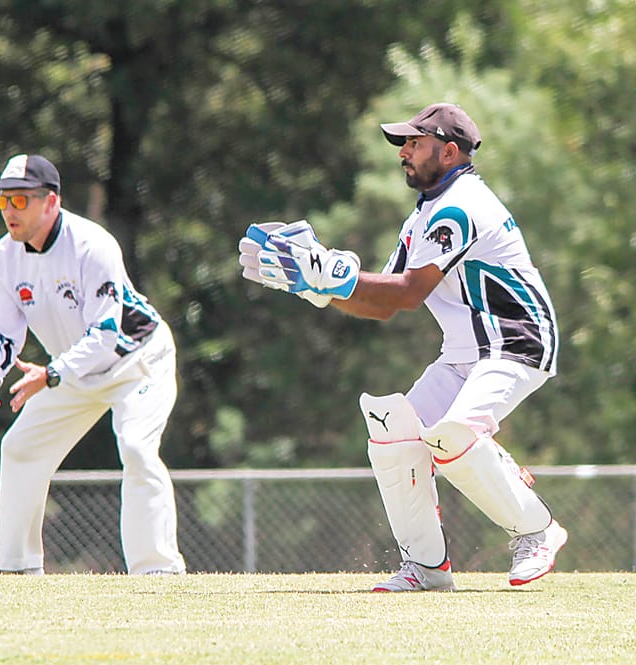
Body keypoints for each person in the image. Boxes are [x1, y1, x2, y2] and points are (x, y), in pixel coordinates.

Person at [238, 103, 567, 591]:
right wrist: (316, 285)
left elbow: (408, 293)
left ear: (450, 151)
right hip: (466, 351)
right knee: (393, 433)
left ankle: (537, 530)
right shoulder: (424, 214)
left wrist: (333, 277)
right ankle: (427, 568)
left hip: (517, 340)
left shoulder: (462, 206)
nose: (405, 153)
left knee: (453, 433)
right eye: (404, 144)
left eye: (416, 143)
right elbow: (380, 303)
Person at [0, 153, 187, 575]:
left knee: (137, 446)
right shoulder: (3, 257)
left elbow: (103, 337)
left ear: (51, 202)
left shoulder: (92, 245)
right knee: (20, 448)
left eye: (20, 200)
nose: (10, 211)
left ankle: (157, 570)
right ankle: (17, 567)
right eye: (2, 202)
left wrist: (51, 374)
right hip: (71, 368)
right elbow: (3, 329)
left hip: (137, 361)